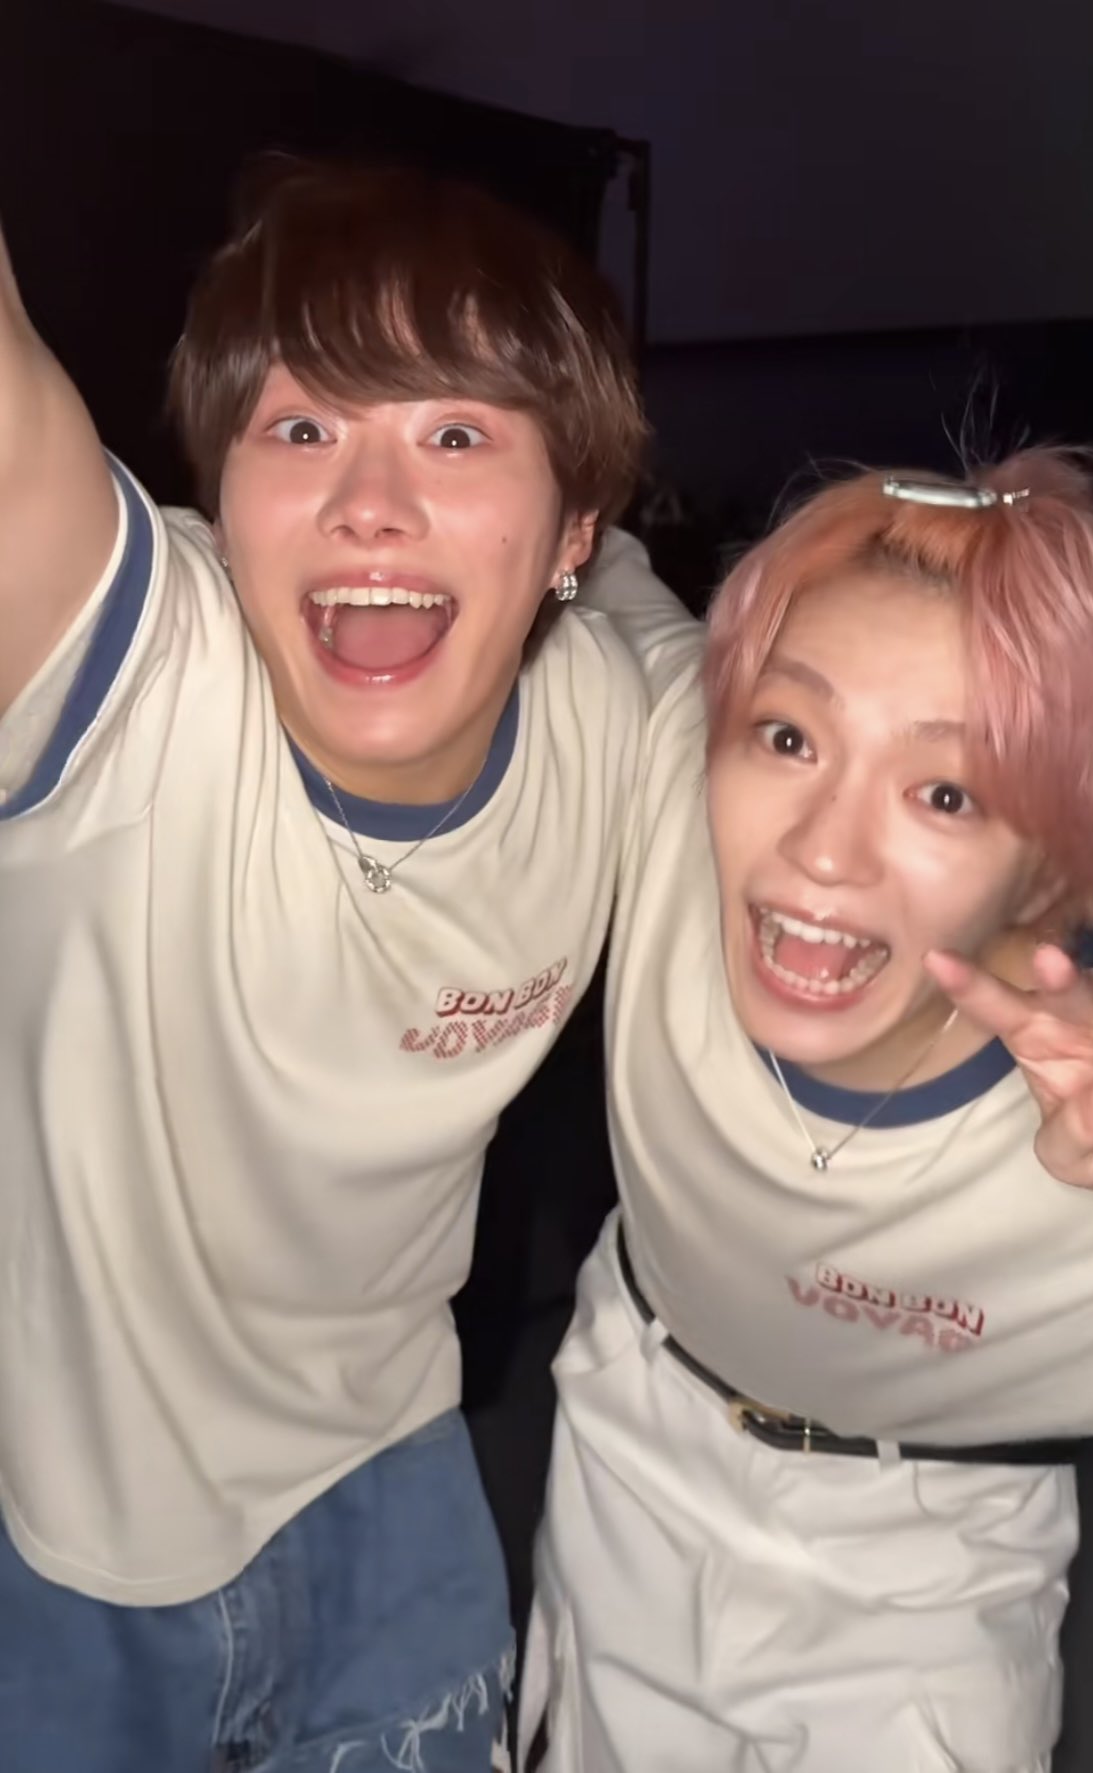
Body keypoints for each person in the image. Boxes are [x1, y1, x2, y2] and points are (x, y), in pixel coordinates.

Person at [0, 156, 675, 1773]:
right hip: (70, 1539)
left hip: (393, 1475)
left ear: (572, 530)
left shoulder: (620, 720)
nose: (371, 500)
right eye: (301, 431)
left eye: (455, 434)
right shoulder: (125, 674)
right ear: (219, 507)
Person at [523, 451, 1093, 1772]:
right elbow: (563, 553)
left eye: (945, 793)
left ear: (1051, 864)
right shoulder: (667, 767)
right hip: (629, 1455)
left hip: (921, 1576)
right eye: (788, 737)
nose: (821, 850)